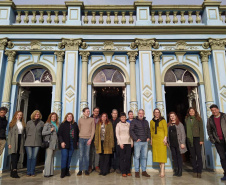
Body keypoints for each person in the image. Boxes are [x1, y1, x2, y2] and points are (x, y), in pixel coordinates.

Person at [130, 109, 151, 178]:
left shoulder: (146, 122)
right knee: (137, 157)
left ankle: (144, 171)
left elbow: (148, 130)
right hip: (137, 142)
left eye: (142, 113)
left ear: (144, 114)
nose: (141, 114)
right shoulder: (134, 121)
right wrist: (136, 139)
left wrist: (149, 137)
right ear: (137, 114)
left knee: (144, 157)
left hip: (145, 142)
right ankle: (136, 172)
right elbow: (131, 131)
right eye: (139, 113)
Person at [207, 104, 226, 181]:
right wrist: (213, 140)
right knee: (223, 158)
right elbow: (209, 130)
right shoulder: (210, 119)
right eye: (212, 110)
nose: (214, 111)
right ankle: (225, 173)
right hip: (218, 141)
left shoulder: (224, 116)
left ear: (218, 109)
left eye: (215, 110)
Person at [58, 113, 79, 178]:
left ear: (72, 118)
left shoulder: (75, 124)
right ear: (66, 117)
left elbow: (77, 133)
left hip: (72, 143)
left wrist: (77, 141)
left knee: (69, 157)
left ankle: (67, 171)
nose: (69, 118)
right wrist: (62, 142)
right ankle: (63, 172)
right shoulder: (63, 124)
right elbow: (59, 134)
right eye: (68, 116)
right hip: (65, 143)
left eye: (71, 117)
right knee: (64, 157)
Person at [185, 107, 204, 178]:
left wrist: (201, 139)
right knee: (192, 155)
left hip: (197, 138)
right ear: (188, 112)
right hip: (190, 139)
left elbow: (201, 130)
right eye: (190, 111)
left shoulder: (198, 119)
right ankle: (195, 170)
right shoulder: (186, 119)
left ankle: (199, 171)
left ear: (195, 112)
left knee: (198, 155)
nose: (191, 112)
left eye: (193, 111)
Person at [24, 110, 44, 177]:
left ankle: (32, 172)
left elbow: (42, 133)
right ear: (33, 115)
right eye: (35, 114)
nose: (37, 116)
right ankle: (28, 172)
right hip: (28, 142)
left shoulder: (42, 123)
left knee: (34, 157)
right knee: (29, 157)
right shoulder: (29, 122)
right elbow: (26, 132)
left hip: (37, 141)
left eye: (38, 114)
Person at [167, 112, 187, 177]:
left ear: (175, 116)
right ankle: (176, 170)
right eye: (171, 116)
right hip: (172, 143)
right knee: (174, 157)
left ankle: (180, 171)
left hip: (178, 143)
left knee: (179, 157)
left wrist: (182, 143)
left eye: (173, 116)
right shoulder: (169, 125)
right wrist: (167, 142)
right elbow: (167, 135)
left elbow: (183, 134)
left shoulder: (179, 124)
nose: (172, 117)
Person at [150, 108, 167, 178]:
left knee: (162, 154)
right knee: (157, 155)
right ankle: (161, 169)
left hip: (161, 139)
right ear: (154, 113)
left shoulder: (163, 120)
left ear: (159, 113)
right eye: (155, 112)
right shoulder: (151, 121)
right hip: (155, 140)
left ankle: (162, 170)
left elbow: (165, 130)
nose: (157, 113)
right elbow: (151, 131)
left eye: (158, 112)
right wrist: (151, 140)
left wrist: (165, 138)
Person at [77, 107, 95, 176]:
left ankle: (86, 170)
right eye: (87, 111)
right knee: (81, 155)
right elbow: (79, 129)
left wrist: (91, 139)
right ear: (83, 112)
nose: (88, 112)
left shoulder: (92, 119)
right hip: (81, 138)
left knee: (87, 155)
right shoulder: (80, 120)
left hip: (88, 139)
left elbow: (93, 130)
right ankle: (80, 170)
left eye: (89, 111)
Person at [8, 111, 26, 178]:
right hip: (13, 141)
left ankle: (12, 171)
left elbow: (24, 133)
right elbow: (9, 134)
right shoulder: (12, 123)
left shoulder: (22, 123)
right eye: (18, 115)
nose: (19, 116)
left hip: (20, 140)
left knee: (18, 155)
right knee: (14, 156)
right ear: (15, 115)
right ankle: (14, 172)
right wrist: (9, 143)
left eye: (20, 115)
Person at [116, 112, 133, 177]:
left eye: (124, 117)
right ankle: (123, 171)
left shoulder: (128, 124)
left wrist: (131, 142)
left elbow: (130, 134)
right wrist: (120, 143)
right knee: (122, 158)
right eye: (122, 117)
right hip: (121, 143)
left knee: (128, 157)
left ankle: (128, 171)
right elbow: (117, 134)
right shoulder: (118, 125)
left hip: (128, 142)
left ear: (126, 118)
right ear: (120, 118)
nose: (123, 118)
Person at [42, 112, 59, 177]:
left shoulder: (57, 124)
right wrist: (50, 130)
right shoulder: (47, 124)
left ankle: (51, 172)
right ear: (50, 117)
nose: (54, 118)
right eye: (52, 117)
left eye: (55, 117)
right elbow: (43, 133)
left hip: (55, 143)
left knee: (52, 157)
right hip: (49, 143)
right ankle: (46, 173)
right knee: (49, 158)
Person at [89, 107, 100, 173]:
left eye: (97, 111)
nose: (96, 112)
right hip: (90, 137)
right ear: (93, 112)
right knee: (90, 152)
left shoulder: (100, 119)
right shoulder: (89, 119)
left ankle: (96, 166)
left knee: (97, 152)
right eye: (95, 111)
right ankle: (90, 166)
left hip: (98, 137)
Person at [110, 109, 120, 173]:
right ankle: (111, 167)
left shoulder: (119, 121)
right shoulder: (109, 121)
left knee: (117, 154)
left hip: (117, 140)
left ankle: (117, 168)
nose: (115, 114)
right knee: (111, 154)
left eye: (116, 113)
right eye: (114, 113)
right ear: (111, 114)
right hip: (111, 140)